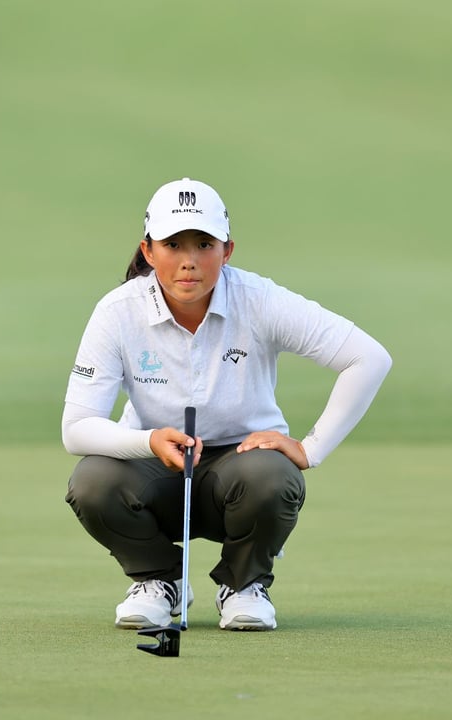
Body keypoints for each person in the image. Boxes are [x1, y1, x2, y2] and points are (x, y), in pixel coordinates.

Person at [62, 177, 392, 631]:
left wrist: (311, 448)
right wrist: (149, 439)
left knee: (273, 475)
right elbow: (77, 427)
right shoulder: (117, 312)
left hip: (241, 471)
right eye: (173, 244)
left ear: (228, 251)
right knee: (93, 480)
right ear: (148, 250)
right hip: (154, 467)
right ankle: (161, 580)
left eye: (204, 244)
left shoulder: (259, 300)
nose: (189, 261)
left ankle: (243, 584)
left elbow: (368, 358)